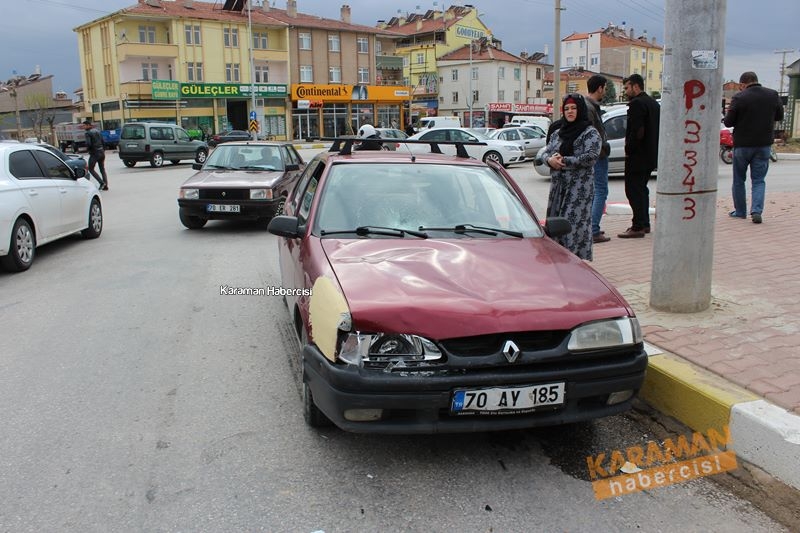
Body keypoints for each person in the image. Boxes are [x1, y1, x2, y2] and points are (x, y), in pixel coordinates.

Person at [540, 94, 601, 261]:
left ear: (580, 109)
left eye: (574, 108)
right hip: (559, 187)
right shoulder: (558, 133)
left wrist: (564, 161)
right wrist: (550, 160)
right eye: (566, 108)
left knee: (572, 225)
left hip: (579, 189)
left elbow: (591, 157)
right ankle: (558, 260)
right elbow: (544, 153)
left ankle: (574, 261)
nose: (570, 111)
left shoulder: (590, 133)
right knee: (555, 224)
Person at [723, 71, 784, 224]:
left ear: (743, 84)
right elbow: (779, 116)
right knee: (758, 180)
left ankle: (740, 211)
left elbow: (729, 122)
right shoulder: (772, 94)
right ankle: (756, 211)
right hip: (764, 144)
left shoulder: (739, 97)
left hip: (742, 145)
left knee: (739, 179)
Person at [618, 74, 659, 238]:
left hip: (638, 156)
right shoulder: (653, 103)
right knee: (642, 189)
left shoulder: (637, 104)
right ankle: (645, 223)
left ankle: (638, 225)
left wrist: (629, 148)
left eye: (627, 87)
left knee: (633, 190)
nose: (626, 91)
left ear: (636, 86)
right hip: (650, 155)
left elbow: (638, 131)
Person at [585, 75, 611, 243]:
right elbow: (593, 133)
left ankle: (591, 227)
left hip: (595, 154)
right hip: (598, 155)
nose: (605, 91)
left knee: (596, 192)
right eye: (605, 88)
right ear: (600, 88)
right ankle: (593, 229)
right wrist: (602, 147)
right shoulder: (590, 107)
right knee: (601, 191)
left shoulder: (588, 105)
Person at [82, 119, 108, 190]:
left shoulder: (88, 133)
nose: (83, 127)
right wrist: (103, 150)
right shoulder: (98, 131)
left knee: (91, 169)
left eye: (84, 125)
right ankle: (106, 185)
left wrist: (88, 149)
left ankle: (101, 183)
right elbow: (103, 142)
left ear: (88, 125)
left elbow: (89, 144)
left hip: (94, 153)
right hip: (101, 152)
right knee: (102, 169)